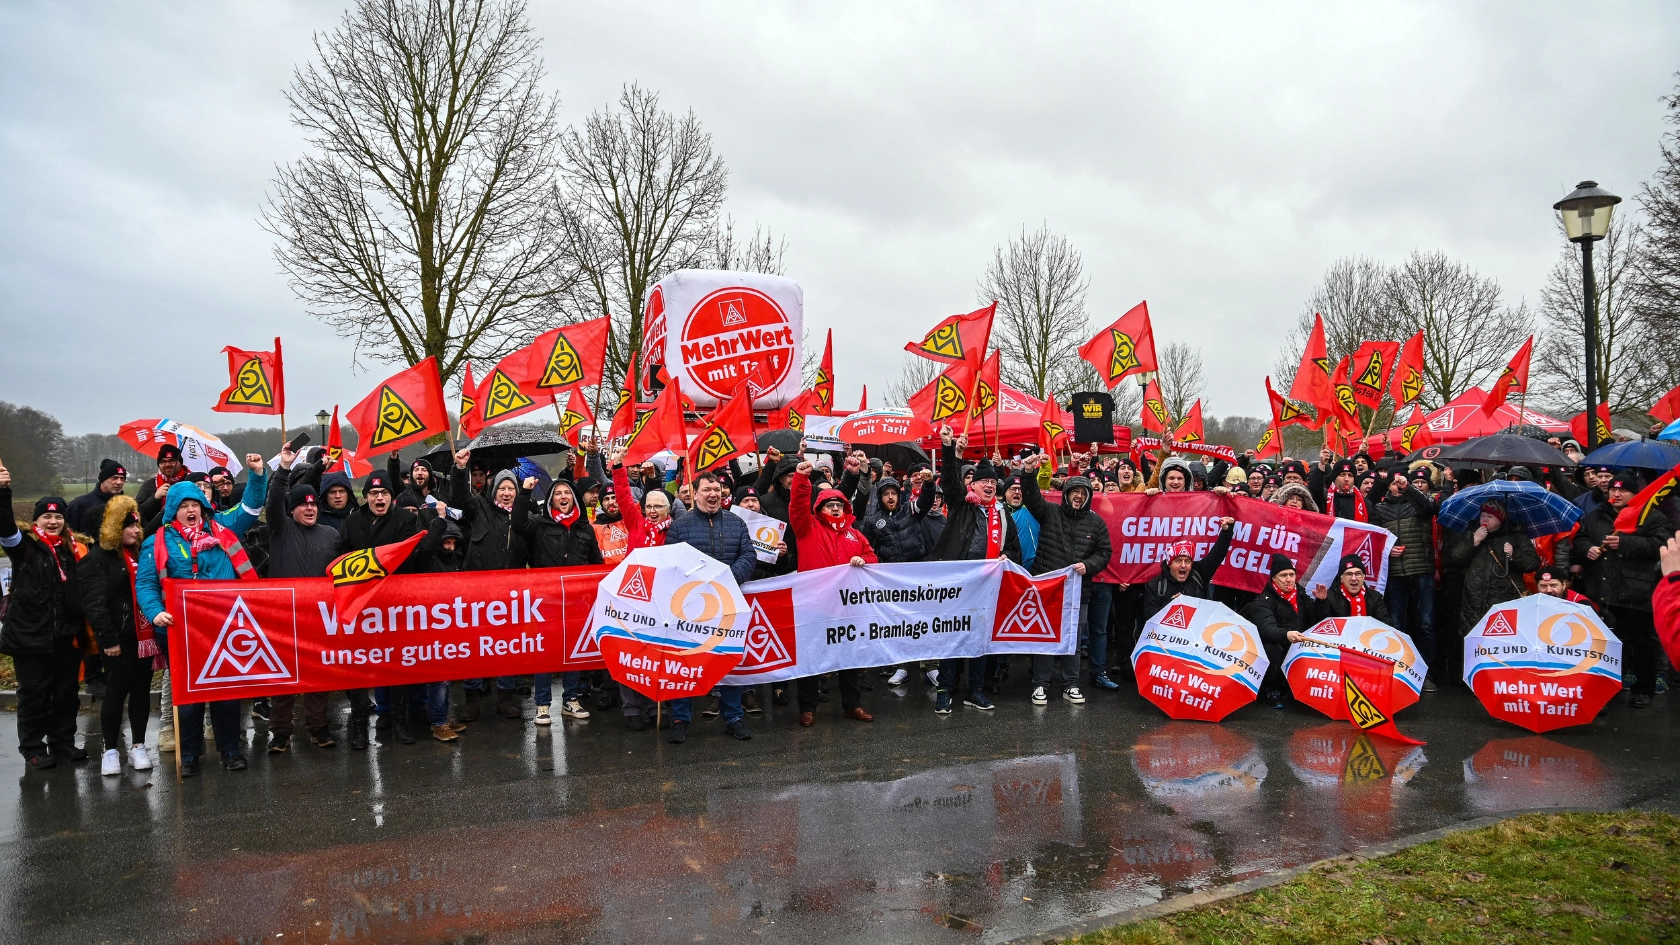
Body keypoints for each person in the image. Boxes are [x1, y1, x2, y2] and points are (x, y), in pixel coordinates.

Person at [134, 454, 268, 776]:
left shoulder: (222, 531)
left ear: (204, 509)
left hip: (223, 627)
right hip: (178, 631)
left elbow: (250, 506)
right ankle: (190, 754)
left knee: (226, 693)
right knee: (189, 696)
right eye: (184, 506)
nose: (191, 510)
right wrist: (155, 614)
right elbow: (147, 583)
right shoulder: (158, 542)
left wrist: (258, 474)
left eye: (196, 505)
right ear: (173, 511)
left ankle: (230, 750)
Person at [339, 468, 444, 747]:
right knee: (359, 668)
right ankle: (359, 726)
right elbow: (342, 558)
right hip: (361, 608)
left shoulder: (406, 520)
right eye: (373, 494)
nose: (379, 498)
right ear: (366, 497)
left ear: (391, 497)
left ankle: (399, 722)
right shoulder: (353, 522)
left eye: (384, 493)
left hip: (395, 606)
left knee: (396, 665)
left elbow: (412, 557)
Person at [929, 429, 1022, 715]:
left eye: (993, 482)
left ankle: (975, 690)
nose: (989, 485)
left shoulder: (1003, 514)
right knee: (953, 638)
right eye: (984, 481)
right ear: (975, 485)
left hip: (987, 587)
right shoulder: (962, 504)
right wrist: (949, 449)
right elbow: (949, 481)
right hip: (958, 584)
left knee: (981, 640)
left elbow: (1014, 549)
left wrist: (1007, 556)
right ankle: (945, 691)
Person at [0, 469, 88, 771]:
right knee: (34, 695)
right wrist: (3, 491)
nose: (53, 522)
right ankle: (33, 748)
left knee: (65, 693)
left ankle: (62, 742)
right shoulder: (24, 548)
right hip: (30, 637)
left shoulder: (71, 551)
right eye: (47, 518)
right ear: (36, 522)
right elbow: (4, 525)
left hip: (65, 636)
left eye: (59, 518)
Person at [663, 471, 758, 742]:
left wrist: (726, 579)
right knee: (686, 661)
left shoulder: (736, 523)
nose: (713, 494)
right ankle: (681, 718)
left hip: (728, 603)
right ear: (695, 493)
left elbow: (748, 555)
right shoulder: (680, 526)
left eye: (717, 489)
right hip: (691, 606)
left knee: (726, 661)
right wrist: (700, 583)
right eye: (707, 490)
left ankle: (733, 717)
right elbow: (672, 562)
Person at [262, 446, 347, 750]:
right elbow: (273, 501)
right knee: (283, 677)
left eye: (313, 506)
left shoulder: (331, 536)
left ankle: (318, 727)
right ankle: (281, 731)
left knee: (319, 676)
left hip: (319, 617)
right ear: (292, 510)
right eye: (303, 506)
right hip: (283, 616)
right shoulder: (280, 529)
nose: (310, 510)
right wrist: (284, 468)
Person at [1566, 475, 1673, 708]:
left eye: (1622, 490)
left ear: (1635, 494)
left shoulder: (1650, 517)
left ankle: (1643, 690)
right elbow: (1580, 538)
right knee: (1605, 645)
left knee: (1641, 644)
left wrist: (1625, 544)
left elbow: (1663, 544)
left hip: (1635, 592)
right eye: (1613, 489)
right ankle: (1605, 688)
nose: (1615, 494)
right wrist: (1587, 550)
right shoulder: (1596, 516)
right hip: (1601, 591)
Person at [787, 459, 878, 726]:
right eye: (830, 505)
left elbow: (872, 559)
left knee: (848, 657)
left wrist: (865, 562)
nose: (836, 508)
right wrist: (802, 481)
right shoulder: (807, 528)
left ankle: (852, 705)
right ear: (820, 509)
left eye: (839, 505)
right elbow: (797, 506)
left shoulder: (855, 535)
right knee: (811, 657)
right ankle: (808, 708)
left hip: (847, 608)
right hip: (814, 606)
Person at [1016, 457, 1113, 703]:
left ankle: (1071, 684)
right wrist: (1028, 472)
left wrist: (1088, 565)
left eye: (1084, 493)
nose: (1079, 496)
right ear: (1067, 494)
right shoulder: (1050, 512)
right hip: (1048, 590)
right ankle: (1041, 684)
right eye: (1075, 492)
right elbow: (1031, 497)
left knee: (1074, 639)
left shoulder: (1096, 522)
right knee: (1045, 638)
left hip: (1079, 591)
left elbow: (1105, 553)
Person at [512, 476, 603, 724]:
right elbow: (519, 524)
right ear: (551, 499)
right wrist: (524, 493)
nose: (563, 497)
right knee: (546, 653)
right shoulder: (539, 524)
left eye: (567, 493)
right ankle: (542, 704)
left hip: (577, 603)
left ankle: (570, 700)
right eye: (558, 493)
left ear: (574, 499)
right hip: (547, 602)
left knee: (573, 652)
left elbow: (596, 564)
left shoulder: (584, 528)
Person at [78, 496, 158, 774]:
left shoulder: (137, 555)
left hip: (143, 636)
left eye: (137, 526)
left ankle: (138, 746)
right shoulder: (96, 560)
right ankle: (110, 750)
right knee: (115, 693)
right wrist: (108, 640)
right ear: (111, 529)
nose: (137, 531)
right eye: (130, 526)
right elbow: (94, 605)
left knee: (140, 692)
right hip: (117, 639)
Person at [1372, 465, 1439, 689]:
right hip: (1394, 574)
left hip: (1421, 570)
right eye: (1394, 482)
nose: (1397, 486)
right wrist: (1387, 549)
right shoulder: (1380, 509)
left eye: (1401, 482)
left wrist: (1409, 488)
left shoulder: (1418, 504)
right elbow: (1374, 540)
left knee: (1425, 624)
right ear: (1388, 485)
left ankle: (1426, 672)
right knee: (1396, 623)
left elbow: (1430, 508)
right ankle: (1400, 669)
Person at [1446, 499, 1540, 648]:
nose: (1484, 519)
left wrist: (1514, 555)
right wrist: (1474, 541)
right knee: (1474, 644)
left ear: (1500, 519)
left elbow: (1533, 563)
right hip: (1474, 601)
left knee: (1503, 643)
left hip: (1505, 599)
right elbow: (1455, 558)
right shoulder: (1472, 532)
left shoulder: (1516, 535)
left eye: (1490, 517)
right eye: (1482, 515)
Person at [1241, 553, 1304, 708]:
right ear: (1274, 579)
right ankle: (1271, 690)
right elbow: (1267, 629)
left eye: (1291, 574)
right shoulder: (1263, 601)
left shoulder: (1300, 594)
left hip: (1297, 640)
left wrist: (1322, 602)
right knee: (1272, 648)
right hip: (1278, 643)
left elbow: (1316, 616)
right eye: (1283, 575)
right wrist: (1286, 634)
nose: (1289, 579)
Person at [1307, 554, 1391, 622]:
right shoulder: (1329, 597)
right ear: (1341, 578)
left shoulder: (1375, 597)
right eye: (1349, 574)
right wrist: (1321, 602)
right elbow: (1319, 625)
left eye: (1358, 574)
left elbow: (1385, 625)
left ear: (1363, 577)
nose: (1354, 578)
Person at [68, 459, 129, 536]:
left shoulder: (129, 505)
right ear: (103, 479)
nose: (119, 482)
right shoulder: (79, 505)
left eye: (122, 479)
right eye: (114, 478)